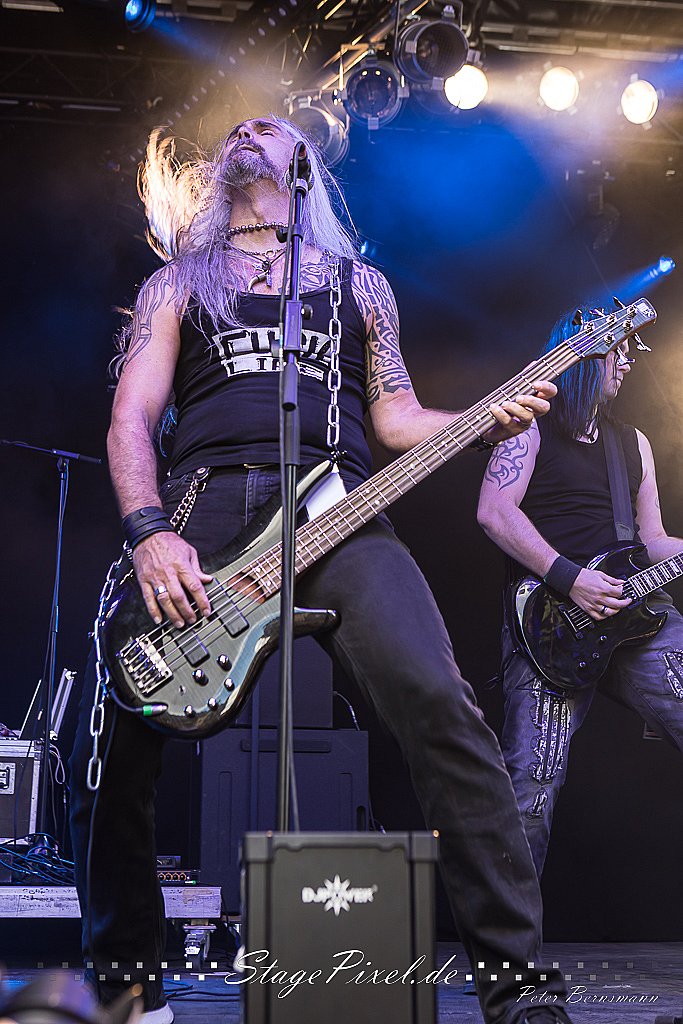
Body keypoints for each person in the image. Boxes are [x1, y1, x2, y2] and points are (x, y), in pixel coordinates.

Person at [69, 115, 572, 1024]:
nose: (249, 128)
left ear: (304, 163)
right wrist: (148, 532)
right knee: (118, 735)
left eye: (271, 124)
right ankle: (127, 988)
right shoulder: (179, 282)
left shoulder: (356, 285)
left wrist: (481, 419)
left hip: (338, 510)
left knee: (442, 706)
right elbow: (130, 419)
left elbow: (395, 418)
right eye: (238, 125)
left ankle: (520, 992)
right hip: (206, 503)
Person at [477, 306, 683, 878]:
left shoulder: (632, 443)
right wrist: (572, 579)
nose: (626, 364)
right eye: (617, 352)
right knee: (532, 791)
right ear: (585, 355)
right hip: (551, 625)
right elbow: (493, 512)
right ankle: (507, 933)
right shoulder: (527, 428)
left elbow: (653, 539)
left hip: (638, 615)